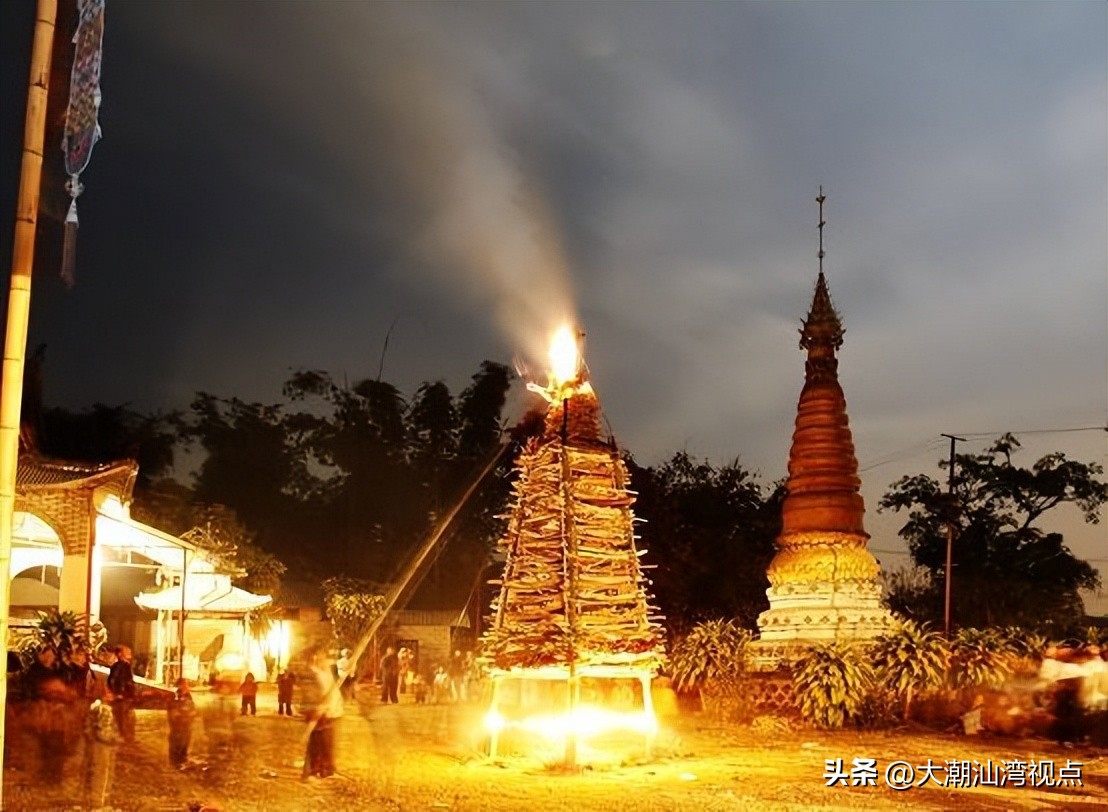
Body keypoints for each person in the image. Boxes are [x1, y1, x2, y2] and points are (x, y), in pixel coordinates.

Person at [300, 646, 342, 779]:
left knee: (327, 742)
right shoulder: (313, 674)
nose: (325, 660)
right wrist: (318, 709)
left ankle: (326, 769)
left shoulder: (327, 672)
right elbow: (312, 695)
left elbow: (337, 684)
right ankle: (311, 771)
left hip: (330, 711)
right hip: (319, 712)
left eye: (326, 657)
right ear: (316, 658)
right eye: (322, 657)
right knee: (316, 743)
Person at [83, 682, 119, 810]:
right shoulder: (105, 709)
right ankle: (99, 802)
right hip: (103, 745)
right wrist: (114, 739)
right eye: (109, 692)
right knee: (103, 773)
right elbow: (104, 730)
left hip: (95, 743)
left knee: (95, 771)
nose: (112, 695)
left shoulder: (95, 706)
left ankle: (93, 799)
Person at [107, 644, 137, 743]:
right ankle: (124, 736)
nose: (130, 654)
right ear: (120, 654)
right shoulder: (122, 666)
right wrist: (120, 692)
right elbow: (115, 680)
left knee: (124, 717)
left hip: (123, 696)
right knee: (123, 717)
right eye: (127, 652)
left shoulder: (122, 666)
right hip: (122, 697)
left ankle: (125, 736)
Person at [166, 678, 197, 769]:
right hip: (178, 725)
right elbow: (173, 710)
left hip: (186, 724)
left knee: (185, 741)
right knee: (177, 742)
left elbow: (192, 707)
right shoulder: (175, 695)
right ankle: (175, 761)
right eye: (184, 684)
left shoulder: (188, 695)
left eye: (186, 684)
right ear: (179, 685)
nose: (186, 686)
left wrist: (192, 715)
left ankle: (183, 759)